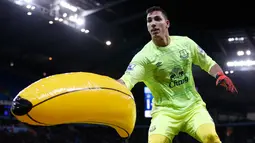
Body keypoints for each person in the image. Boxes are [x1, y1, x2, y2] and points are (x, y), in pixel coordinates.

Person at [117, 6, 237, 143]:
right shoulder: (143, 57)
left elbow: (208, 63)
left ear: (167, 23)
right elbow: (127, 80)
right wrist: (112, 87)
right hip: (164, 112)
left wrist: (220, 75)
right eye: (149, 21)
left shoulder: (185, 43)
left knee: (211, 138)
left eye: (157, 19)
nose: (153, 23)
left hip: (193, 108)